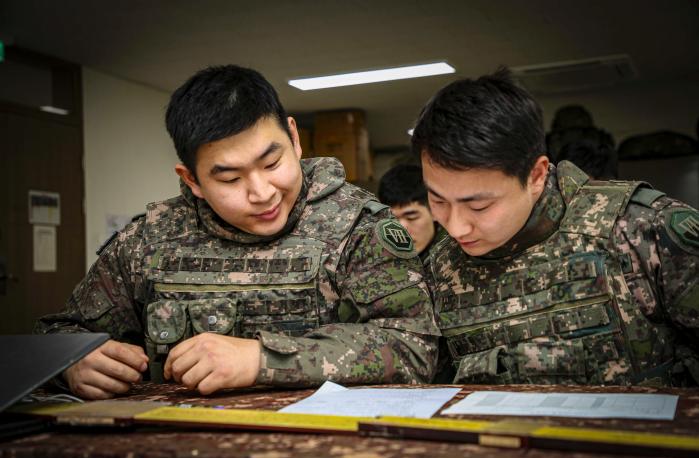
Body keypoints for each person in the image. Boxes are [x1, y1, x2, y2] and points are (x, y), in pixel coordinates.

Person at [36, 65, 439, 400]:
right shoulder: (148, 242)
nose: (262, 193)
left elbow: (415, 348)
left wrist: (263, 359)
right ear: (192, 179)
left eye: (271, 162)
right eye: (229, 178)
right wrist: (72, 362)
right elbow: (58, 333)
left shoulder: (358, 227)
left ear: (295, 138)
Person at [411, 68, 699, 386]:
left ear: (536, 176)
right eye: (437, 201)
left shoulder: (642, 232)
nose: (456, 227)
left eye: (479, 206)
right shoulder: (439, 268)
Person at [377, 164, 444, 261]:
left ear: (434, 211)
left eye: (411, 217)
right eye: (392, 219)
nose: (401, 230)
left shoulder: (459, 255)